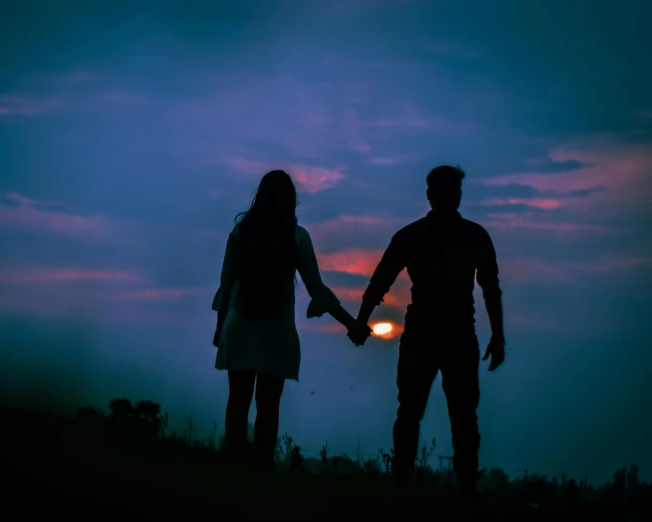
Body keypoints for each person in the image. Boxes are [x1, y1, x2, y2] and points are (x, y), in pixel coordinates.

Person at [347, 165, 505, 496]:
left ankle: (407, 485)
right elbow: (490, 289)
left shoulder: (413, 235)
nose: (451, 198)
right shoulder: (471, 235)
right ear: (441, 195)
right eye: (450, 191)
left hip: (429, 335)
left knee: (416, 414)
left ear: (431, 194)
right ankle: (459, 490)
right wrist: (498, 336)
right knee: (457, 417)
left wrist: (361, 321)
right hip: (454, 335)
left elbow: (379, 282)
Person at [211, 170, 368, 477]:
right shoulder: (296, 237)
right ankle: (262, 473)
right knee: (269, 407)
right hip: (276, 333)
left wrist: (220, 328)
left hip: (238, 328)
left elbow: (226, 284)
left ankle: (232, 472)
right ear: (291, 201)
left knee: (237, 403)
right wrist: (352, 324)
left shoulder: (240, 234)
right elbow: (317, 290)